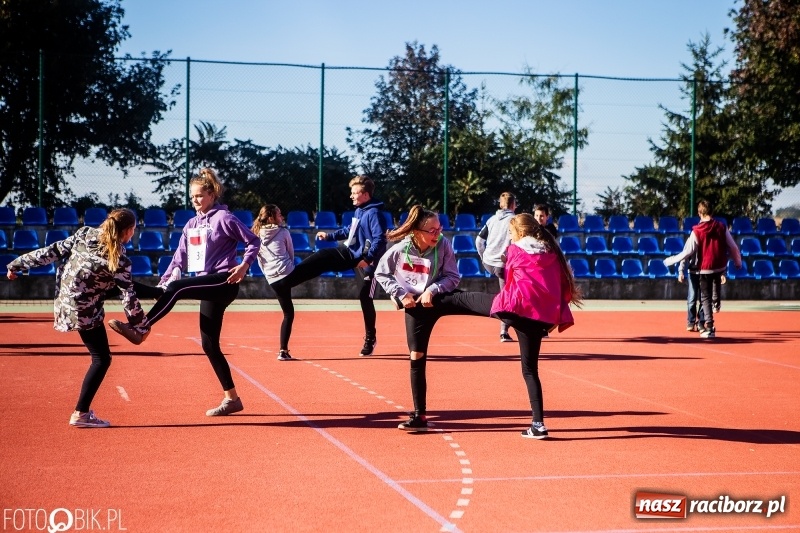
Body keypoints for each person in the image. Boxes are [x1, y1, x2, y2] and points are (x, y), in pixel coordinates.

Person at [108, 167, 261, 416]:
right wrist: (165, 280)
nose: (195, 201)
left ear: (211, 194)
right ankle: (232, 399)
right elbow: (179, 257)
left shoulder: (225, 219)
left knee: (179, 288)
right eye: (192, 197)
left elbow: (253, 240)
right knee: (209, 344)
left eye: (199, 196)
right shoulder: (191, 224)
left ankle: (141, 328)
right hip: (207, 283)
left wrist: (244, 265)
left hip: (225, 281)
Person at [6, 208, 147, 428]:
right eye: (133, 231)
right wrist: (142, 327)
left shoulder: (84, 233)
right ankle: (81, 413)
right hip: (84, 309)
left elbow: (51, 252)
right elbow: (128, 296)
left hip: (65, 302)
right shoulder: (120, 259)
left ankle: (159, 293)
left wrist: (17, 264)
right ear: (128, 231)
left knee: (123, 285)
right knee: (102, 359)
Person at [375, 205, 497, 432]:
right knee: (416, 355)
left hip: (437, 298)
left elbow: (453, 276)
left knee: (469, 300)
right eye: (431, 230)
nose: (437, 234)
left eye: (439, 229)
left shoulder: (443, 244)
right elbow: (381, 273)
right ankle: (419, 416)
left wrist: (433, 289)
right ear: (416, 231)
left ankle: (510, 310)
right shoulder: (400, 249)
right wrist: (400, 294)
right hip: (415, 306)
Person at [489, 213, 582, 439]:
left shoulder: (514, 250)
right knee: (530, 370)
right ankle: (538, 424)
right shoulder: (551, 252)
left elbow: (509, 282)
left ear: (520, 233)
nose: (510, 237)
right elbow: (562, 285)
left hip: (519, 312)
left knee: (477, 303)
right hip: (542, 316)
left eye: (511, 233)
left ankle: (449, 300)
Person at [281, 175, 387, 356]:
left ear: (366, 195)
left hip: (369, 262)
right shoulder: (360, 211)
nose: (351, 196)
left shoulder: (374, 213)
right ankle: (290, 279)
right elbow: (350, 231)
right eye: (351, 192)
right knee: (323, 256)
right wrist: (329, 236)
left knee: (365, 298)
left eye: (355, 193)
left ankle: (370, 338)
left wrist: (368, 259)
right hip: (352, 253)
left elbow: (379, 240)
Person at [663, 200, 742, 338]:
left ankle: (710, 327)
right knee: (714, 289)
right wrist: (738, 262)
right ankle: (716, 304)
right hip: (719, 266)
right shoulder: (722, 227)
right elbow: (733, 247)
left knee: (705, 297)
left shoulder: (697, 231)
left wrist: (670, 261)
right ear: (712, 212)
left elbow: (687, 252)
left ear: (700, 213)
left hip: (704, 268)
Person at [252, 204, 296, 361]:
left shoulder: (256, 235)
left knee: (287, 313)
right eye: (279, 214)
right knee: (314, 265)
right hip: (288, 273)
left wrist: (269, 275)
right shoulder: (283, 232)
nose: (282, 217)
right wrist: (288, 268)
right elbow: (290, 253)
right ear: (271, 217)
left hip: (273, 279)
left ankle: (283, 351)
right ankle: (283, 351)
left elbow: (258, 259)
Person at [476, 192, 516, 342]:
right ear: (513, 205)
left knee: (508, 292)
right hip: (502, 264)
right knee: (508, 296)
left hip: (489, 262)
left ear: (500, 204)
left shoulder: (491, 220)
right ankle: (504, 331)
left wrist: (483, 257)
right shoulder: (514, 220)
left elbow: (479, 242)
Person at [678, 254, 706, 332]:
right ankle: (691, 321)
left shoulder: (707, 242)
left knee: (704, 299)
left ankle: (701, 322)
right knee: (691, 299)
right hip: (692, 273)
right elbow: (684, 256)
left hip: (705, 273)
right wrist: (681, 272)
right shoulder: (691, 241)